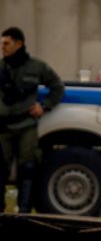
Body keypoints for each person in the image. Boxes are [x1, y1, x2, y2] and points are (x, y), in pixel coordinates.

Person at [0, 27, 64, 214]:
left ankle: (25, 210)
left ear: (18, 44)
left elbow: (57, 86)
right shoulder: (1, 68)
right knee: (1, 169)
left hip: (26, 126)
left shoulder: (37, 67)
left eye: (6, 44)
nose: (2, 48)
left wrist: (44, 106)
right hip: (3, 127)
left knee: (27, 169)